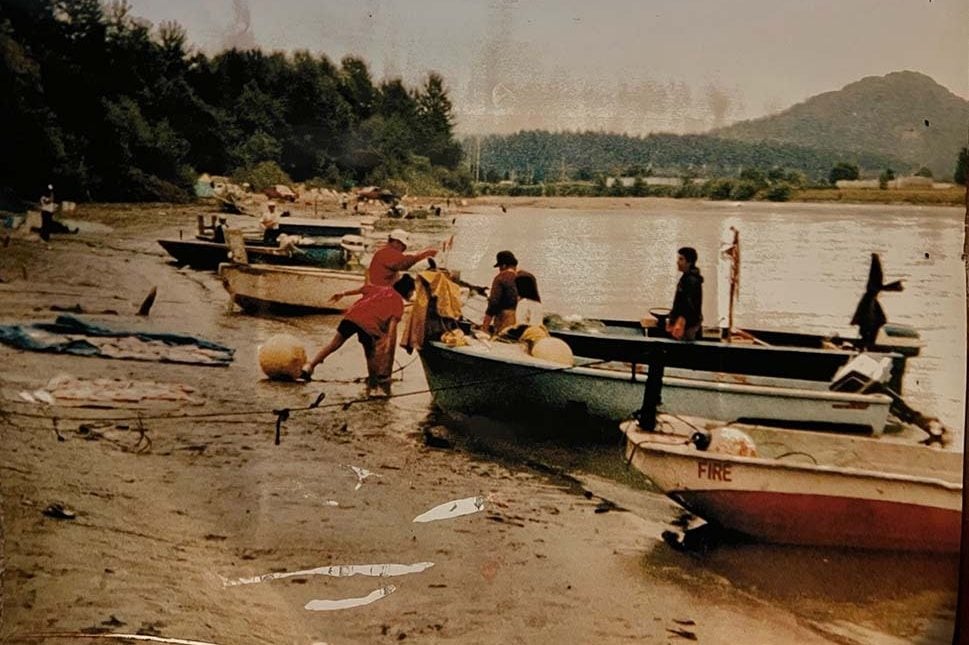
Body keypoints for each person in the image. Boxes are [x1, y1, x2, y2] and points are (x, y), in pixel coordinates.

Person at [302, 275, 416, 396]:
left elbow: (363, 289)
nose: (412, 294)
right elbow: (392, 332)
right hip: (368, 326)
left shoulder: (382, 289)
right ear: (407, 291)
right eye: (412, 291)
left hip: (351, 316)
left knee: (333, 344)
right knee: (371, 354)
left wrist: (343, 293)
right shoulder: (398, 303)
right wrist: (388, 349)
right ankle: (374, 386)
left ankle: (310, 366)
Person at [365, 229, 438, 287]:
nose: (404, 249)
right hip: (380, 289)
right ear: (396, 242)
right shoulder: (387, 253)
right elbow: (404, 263)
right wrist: (423, 255)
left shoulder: (383, 251)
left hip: (381, 287)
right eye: (403, 245)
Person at [667, 247, 704, 341]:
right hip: (685, 324)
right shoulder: (686, 278)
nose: (677, 262)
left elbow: (689, 305)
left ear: (689, 262)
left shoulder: (691, 281)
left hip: (688, 326)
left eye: (681, 259)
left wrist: (680, 322)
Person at [481, 250, 519, 334]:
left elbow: (493, 304)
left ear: (504, 265)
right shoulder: (521, 278)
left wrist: (485, 327)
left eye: (499, 267)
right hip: (519, 321)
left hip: (505, 320)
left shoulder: (500, 278)